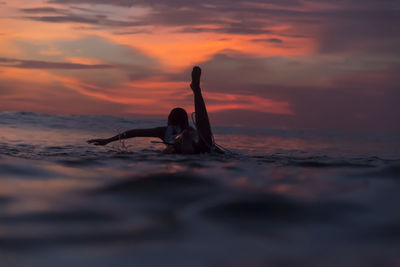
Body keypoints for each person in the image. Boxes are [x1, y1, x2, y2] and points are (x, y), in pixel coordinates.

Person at [87, 66, 217, 154]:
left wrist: (108, 140)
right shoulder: (191, 130)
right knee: (204, 134)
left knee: (184, 141)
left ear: (169, 121)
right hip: (198, 147)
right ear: (186, 121)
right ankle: (196, 91)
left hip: (181, 148)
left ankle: (184, 138)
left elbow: (134, 132)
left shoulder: (164, 131)